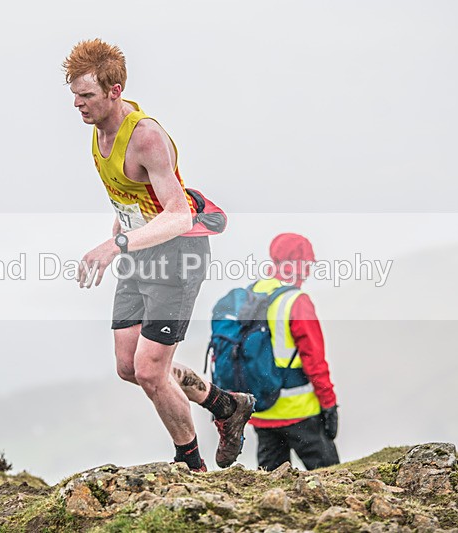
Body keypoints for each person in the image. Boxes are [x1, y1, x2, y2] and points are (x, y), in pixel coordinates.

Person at [62, 39, 254, 472]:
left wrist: (115, 246)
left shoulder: (145, 137)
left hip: (176, 255)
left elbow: (180, 214)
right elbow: (129, 199)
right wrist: (120, 235)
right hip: (140, 251)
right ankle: (225, 405)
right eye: (74, 95)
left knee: (151, 371)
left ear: (115, 90)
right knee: (129, 365)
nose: (77, 104)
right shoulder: (98, 130)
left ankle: (192, 469)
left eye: (86, 95)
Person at [249, 233, 340, 471]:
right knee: (331, 480)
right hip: (301, 414)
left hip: (262, 412)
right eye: (308, 264)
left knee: (271, 490)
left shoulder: (252, 293)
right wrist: (329, 405)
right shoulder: (296, 301)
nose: (309, 271)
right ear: (298, 263)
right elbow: (315, 361)